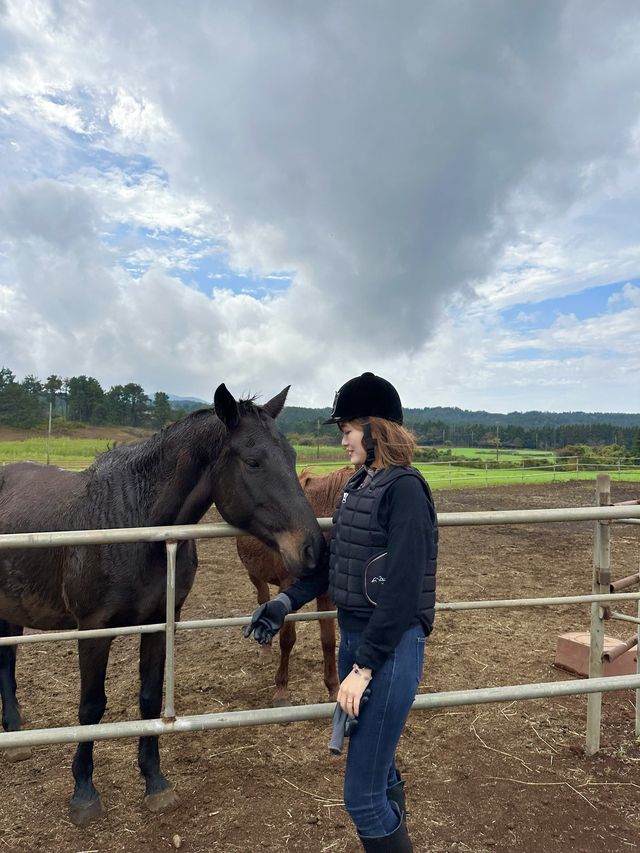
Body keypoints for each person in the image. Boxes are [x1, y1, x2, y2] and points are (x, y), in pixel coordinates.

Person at [244, 372, 438, 852]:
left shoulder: (406, 492)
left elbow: (403, 593)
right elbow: (331, 567)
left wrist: (364, 666)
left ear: (375, 430)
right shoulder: (356, 489)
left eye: (348, 429)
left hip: (388, 651)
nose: (343, 439)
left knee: (361, 797)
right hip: (358, 641)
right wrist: (284, 602)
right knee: (381, 768)